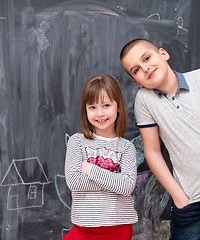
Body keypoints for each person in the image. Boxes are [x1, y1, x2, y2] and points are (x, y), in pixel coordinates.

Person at [119, 39, 200, 240]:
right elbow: (153, 151)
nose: (145, 68)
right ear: (137, 82)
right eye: (136, 70)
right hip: (191, 202)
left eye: (147, 58)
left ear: (163, 54)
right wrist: (179, 197)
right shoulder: (145, 100)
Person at [63, 74, 138, 240]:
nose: (100, 113)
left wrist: (90, 169)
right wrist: (113, 179)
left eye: (106, 105)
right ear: (85, 110)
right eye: (92, 107)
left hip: (119, 226)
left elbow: (126, 187)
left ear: (118, 107)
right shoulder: (77, 142)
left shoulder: (126, 148)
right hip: (84, 228)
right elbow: (74, 182)